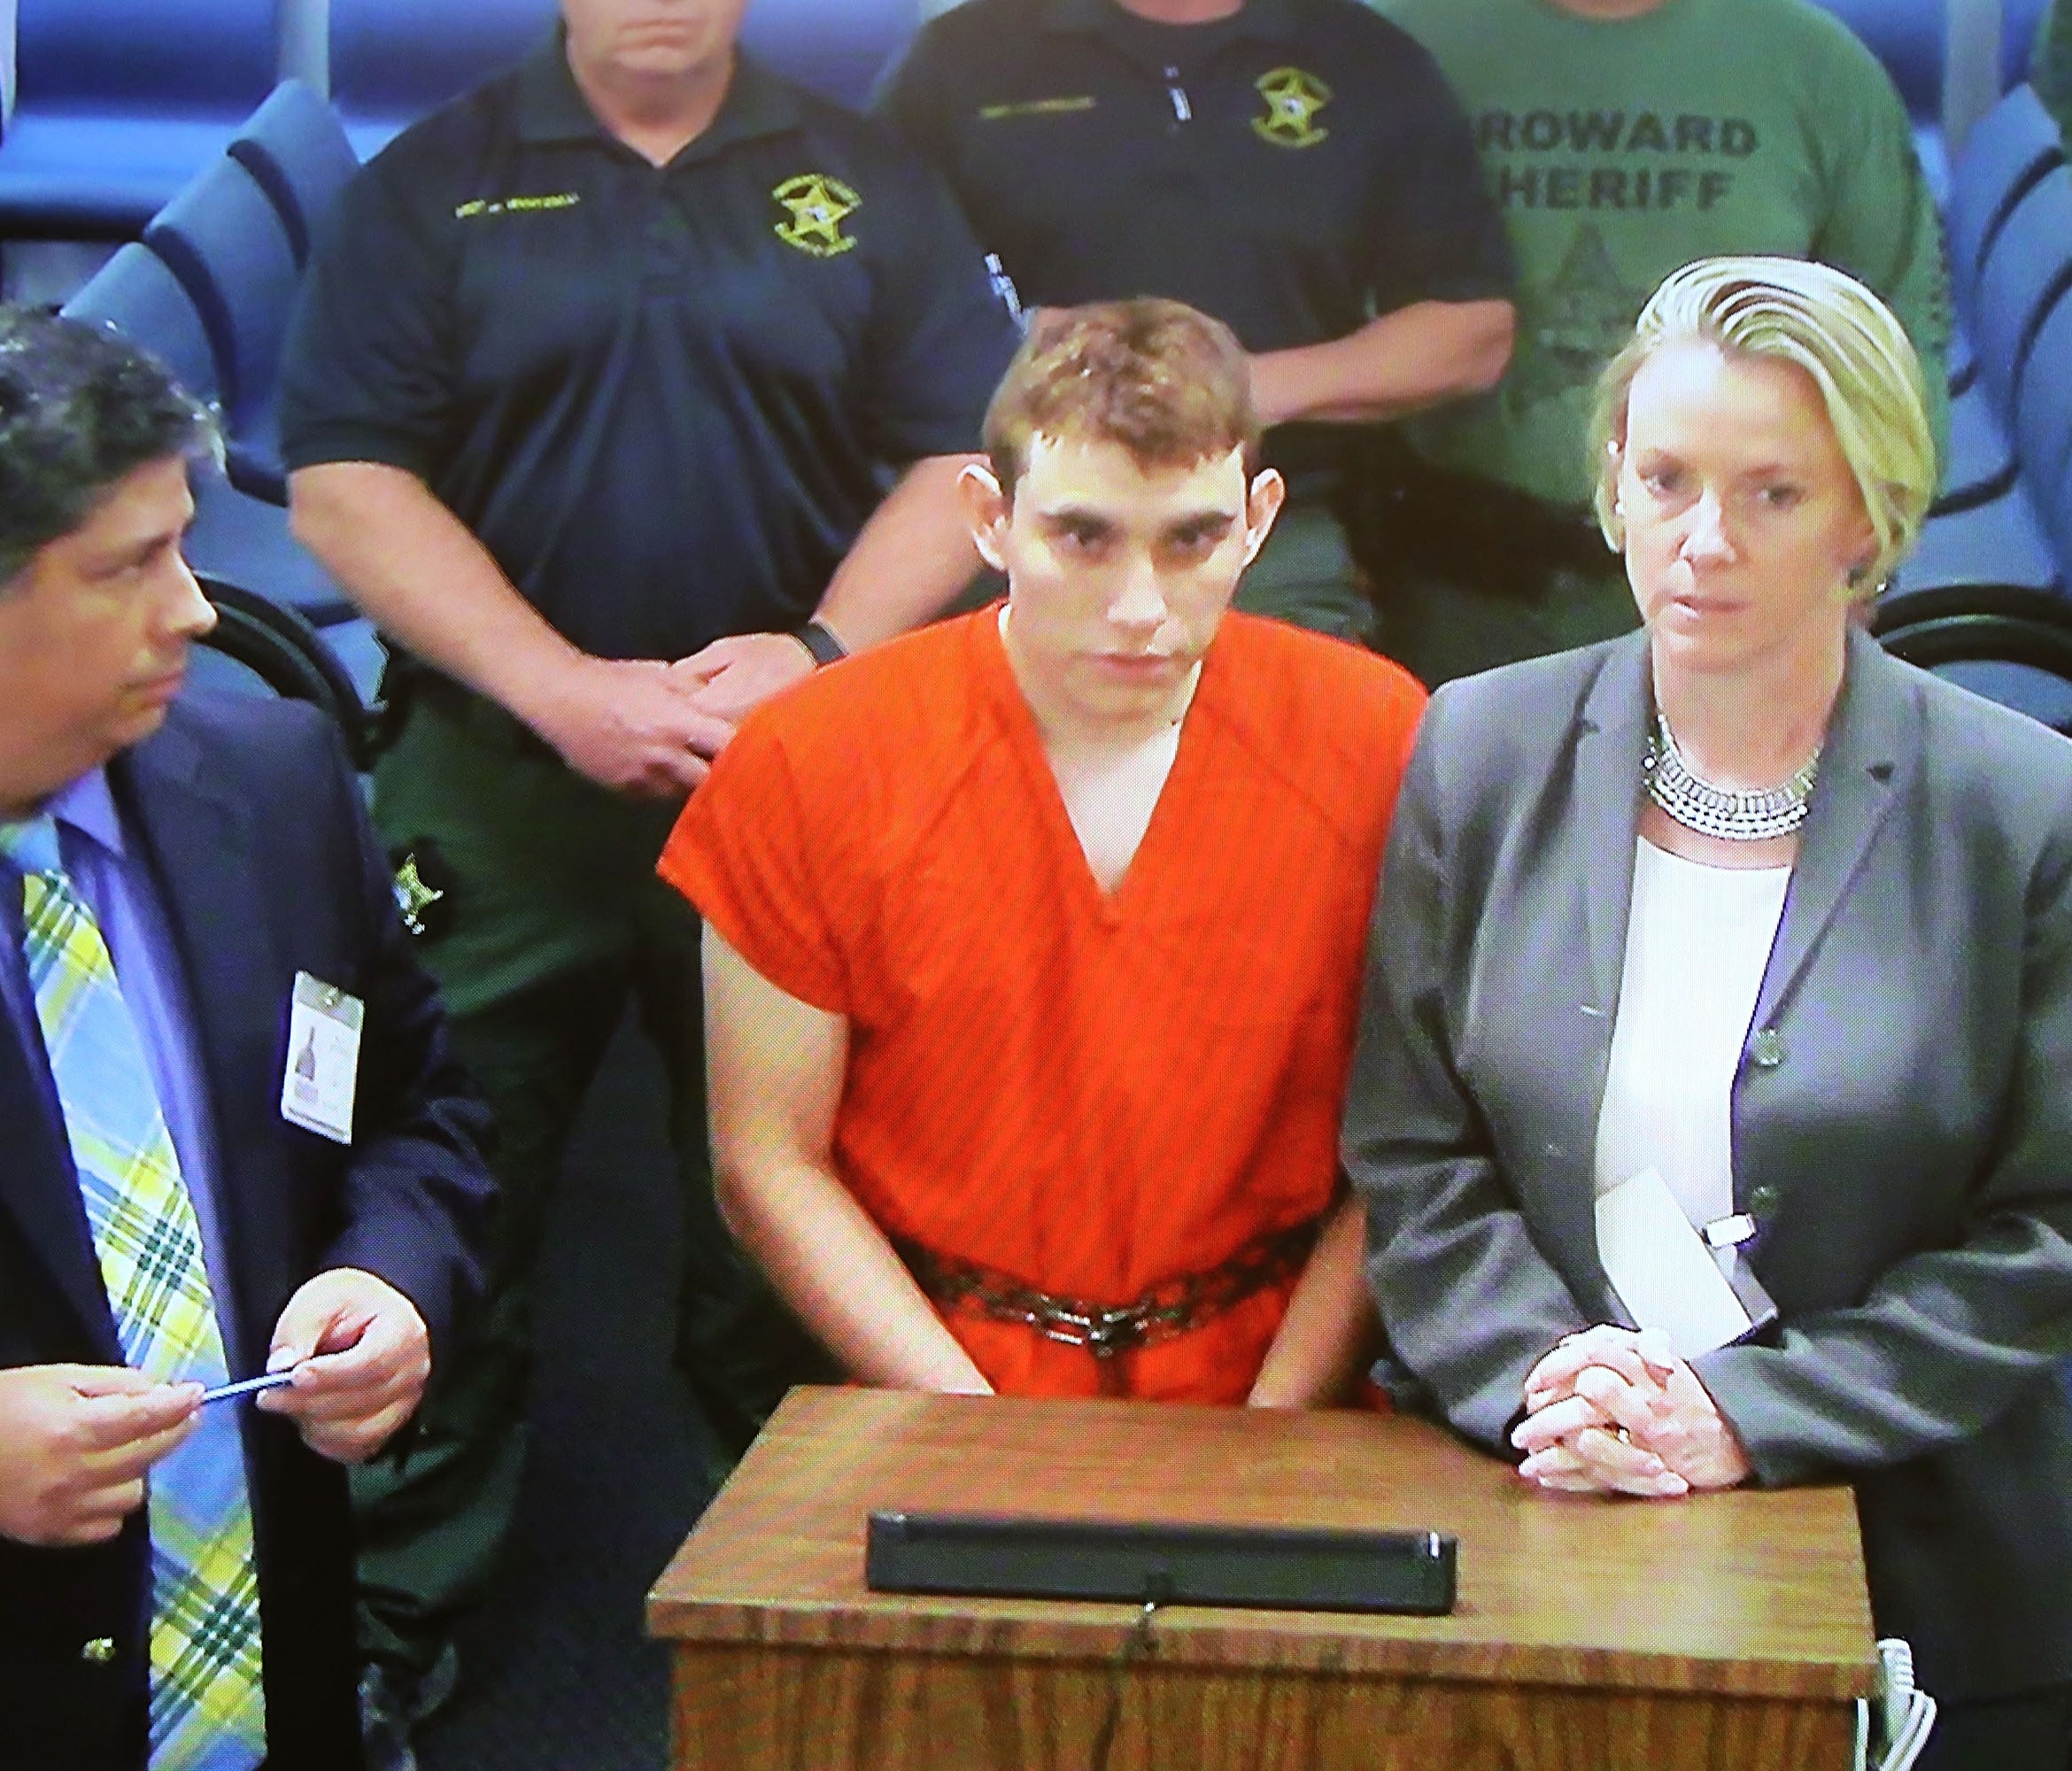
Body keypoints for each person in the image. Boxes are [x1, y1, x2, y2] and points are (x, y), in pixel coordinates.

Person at [277, 0, 1022, 1719]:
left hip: (799, 773)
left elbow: (964, 454)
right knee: (438, 1196)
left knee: (798, 1202)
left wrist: (822, 655)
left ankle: (808, 1602)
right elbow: (341, 485)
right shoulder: (437, 182)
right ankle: (394, 1620)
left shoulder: (865, 178)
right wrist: (562, 688)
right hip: (505, 768)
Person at [1343, 257, 2072, 1770]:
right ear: (1610, 481)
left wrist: (1750, 1415)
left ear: (1871, 517)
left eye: (1773, 495)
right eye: (1665, 478)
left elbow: (2048, 1230)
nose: (1704, 543)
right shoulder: (1477, 749)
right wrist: (1549, 1377)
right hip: (1539, 1516)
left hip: (1919, 1569)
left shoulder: (2025, 805)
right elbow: (1412, 1154)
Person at [661, 299, 1426, 1404]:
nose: (1138, 606)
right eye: (1083, 535)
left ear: (1258, 520)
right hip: (924, 1360)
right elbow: (766, 1160)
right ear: (989, 516)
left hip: (1272, 1368)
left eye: (1191, 538)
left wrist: (1278, 1421)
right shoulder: (809, 759)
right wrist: (976, 1428)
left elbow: (1408, 1143)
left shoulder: (1376, 738)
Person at [0, 310, 492, 1771]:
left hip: (276, 1667)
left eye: (184, 545)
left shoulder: (271, 784)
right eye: (126, 567)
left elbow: (412, 1109)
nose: (200, 612)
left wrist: (390, 1280)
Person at [876, 0, 1516, 646]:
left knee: (1314, 729)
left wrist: (1231, 387)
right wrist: (1017, 339)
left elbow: (1470, 333)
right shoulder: (959, 60)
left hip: (1264, 535)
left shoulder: (1370, 62)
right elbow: (864, 298)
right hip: (1021, 528)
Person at [1372, 0, 1952, 686]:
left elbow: (1900, 342)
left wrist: (1864, 570)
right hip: (1442, 581)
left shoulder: (1817, 69)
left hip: (1740, 586)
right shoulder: (1397, 43)